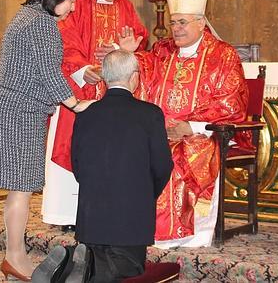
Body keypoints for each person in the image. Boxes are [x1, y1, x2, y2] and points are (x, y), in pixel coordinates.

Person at [124, 0, 250, 248]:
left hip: (202, 134)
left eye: (183, 22)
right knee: (134, 152)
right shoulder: (163, 50)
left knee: (179, 159)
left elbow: (232, 104)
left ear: (201, 23)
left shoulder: (223, 55)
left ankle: (186, 234)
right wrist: (129, 54)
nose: (175, 29)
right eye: (173, 22)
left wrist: (190, 126)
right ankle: (138, 228)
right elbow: (141, 74)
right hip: (161, 131)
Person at [0, 0, 93, 281]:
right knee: (22, 189)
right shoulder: (43, 24)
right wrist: (74, 103)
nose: (72, 7)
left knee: (21, 188)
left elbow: (37, 71)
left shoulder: (26, 16)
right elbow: (48, 72)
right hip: (20, 112)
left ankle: (13, 254)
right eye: (70, 0)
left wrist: (72, 87)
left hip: (11, 107)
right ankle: (15, 257)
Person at [32, 50, 173, 282]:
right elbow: (162, 166)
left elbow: (77, 163)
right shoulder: (150, 114)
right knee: (130, 266)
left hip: (92, 219)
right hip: (131, 219)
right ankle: (82, 268)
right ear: (134, 77)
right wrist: (145, 194)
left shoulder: (87, 114)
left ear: (105, 78)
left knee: (92, 254)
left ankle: (68, 262)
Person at [42, 0, 149, 230]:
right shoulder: (77, 1)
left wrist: (121, 47)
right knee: (72, 142)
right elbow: (63, 38)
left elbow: (140, 37)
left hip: (113, 93)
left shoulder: (125, 6)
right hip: (79, 87)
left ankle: (104, 211)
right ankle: (66, 214)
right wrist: (82, 70)